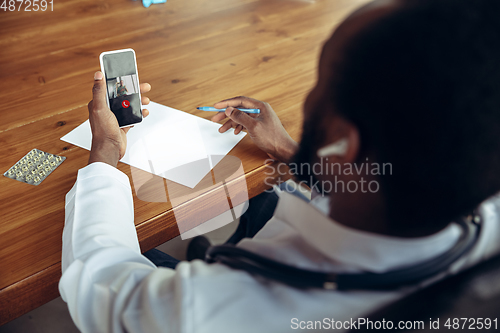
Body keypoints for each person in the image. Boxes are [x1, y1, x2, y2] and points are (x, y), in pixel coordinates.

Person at [59, 0, 500, 332]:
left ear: (346, 142)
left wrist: (106, 152)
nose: (308, 100)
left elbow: (102, 292)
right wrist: (293, 151)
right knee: (262, 195)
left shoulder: (218, 310)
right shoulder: (483, 211)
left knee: (143, 251)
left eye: (320, 84)